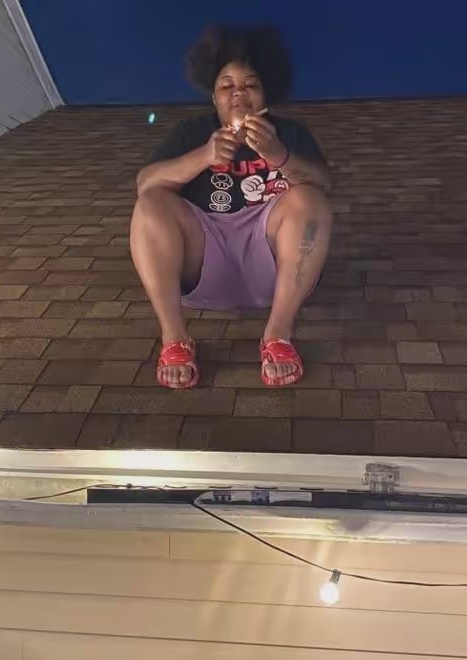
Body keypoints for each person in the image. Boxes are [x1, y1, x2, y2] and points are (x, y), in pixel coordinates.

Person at [130, 24, 332, 390]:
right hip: (204, 261)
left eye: (250, 85)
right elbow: (146, 184)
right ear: (214, 97)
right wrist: (203, 156)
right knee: (150, 204)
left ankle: (278, 334)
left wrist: (278, 154)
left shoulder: (288, 133)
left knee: (310, 199)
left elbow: (323, 184)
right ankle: (175, 339)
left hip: (273, 268)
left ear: (265, 94)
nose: (239, 92)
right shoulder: (191, 133)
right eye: (227, 86)